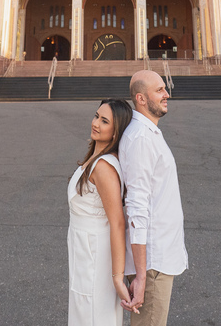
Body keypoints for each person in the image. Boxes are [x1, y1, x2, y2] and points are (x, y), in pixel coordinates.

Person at [120, 70, 187, 326]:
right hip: (152, 264)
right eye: (159, 90)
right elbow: (136, 207)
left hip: (158, 258)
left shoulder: (148, 133)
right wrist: (141, 274)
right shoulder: (140, 138)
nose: (166, 94)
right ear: (141, 98)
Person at [68, 99, 138, 325]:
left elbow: (118, 222)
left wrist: (118, 278)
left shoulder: (104, 167)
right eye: (96, 116)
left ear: (116, 131)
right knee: (85, 310)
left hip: (94, 254)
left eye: (104, 120)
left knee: (93, 313)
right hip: (84, 247)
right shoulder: (96, 160)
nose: (96, 123)